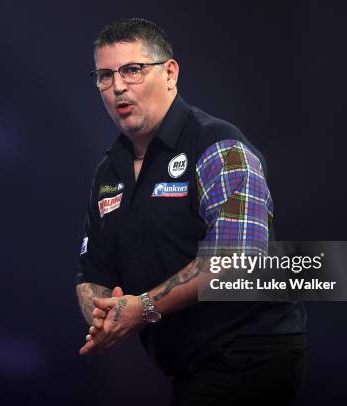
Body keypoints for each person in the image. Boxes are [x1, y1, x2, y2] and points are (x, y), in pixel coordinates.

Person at [76, 17, 307, 405]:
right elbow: (92, 271)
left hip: (251, 350)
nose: (117, 87)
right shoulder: (108, 171)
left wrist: (143, 308)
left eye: (132, 70)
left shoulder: (218, 145)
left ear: (170, 73)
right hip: (188, 363)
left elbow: (237, 258)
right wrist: (105, 314)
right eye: (105, 75)